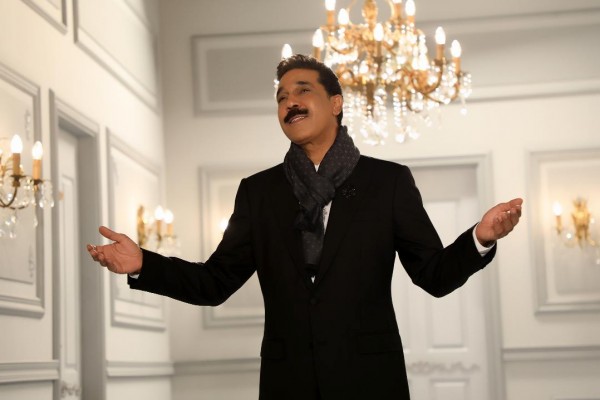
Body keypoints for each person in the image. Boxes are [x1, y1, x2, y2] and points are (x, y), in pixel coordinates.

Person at [87, 54, 522, 400]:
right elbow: (214, 282)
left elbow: (434, 275)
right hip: (287, 383)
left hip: (370, 381)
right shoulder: (259, 193)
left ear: (335, 104)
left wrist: (479, 239)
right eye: (281, 98)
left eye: (302, 91)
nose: (289, 103)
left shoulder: (387, 182)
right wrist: (144, 263)